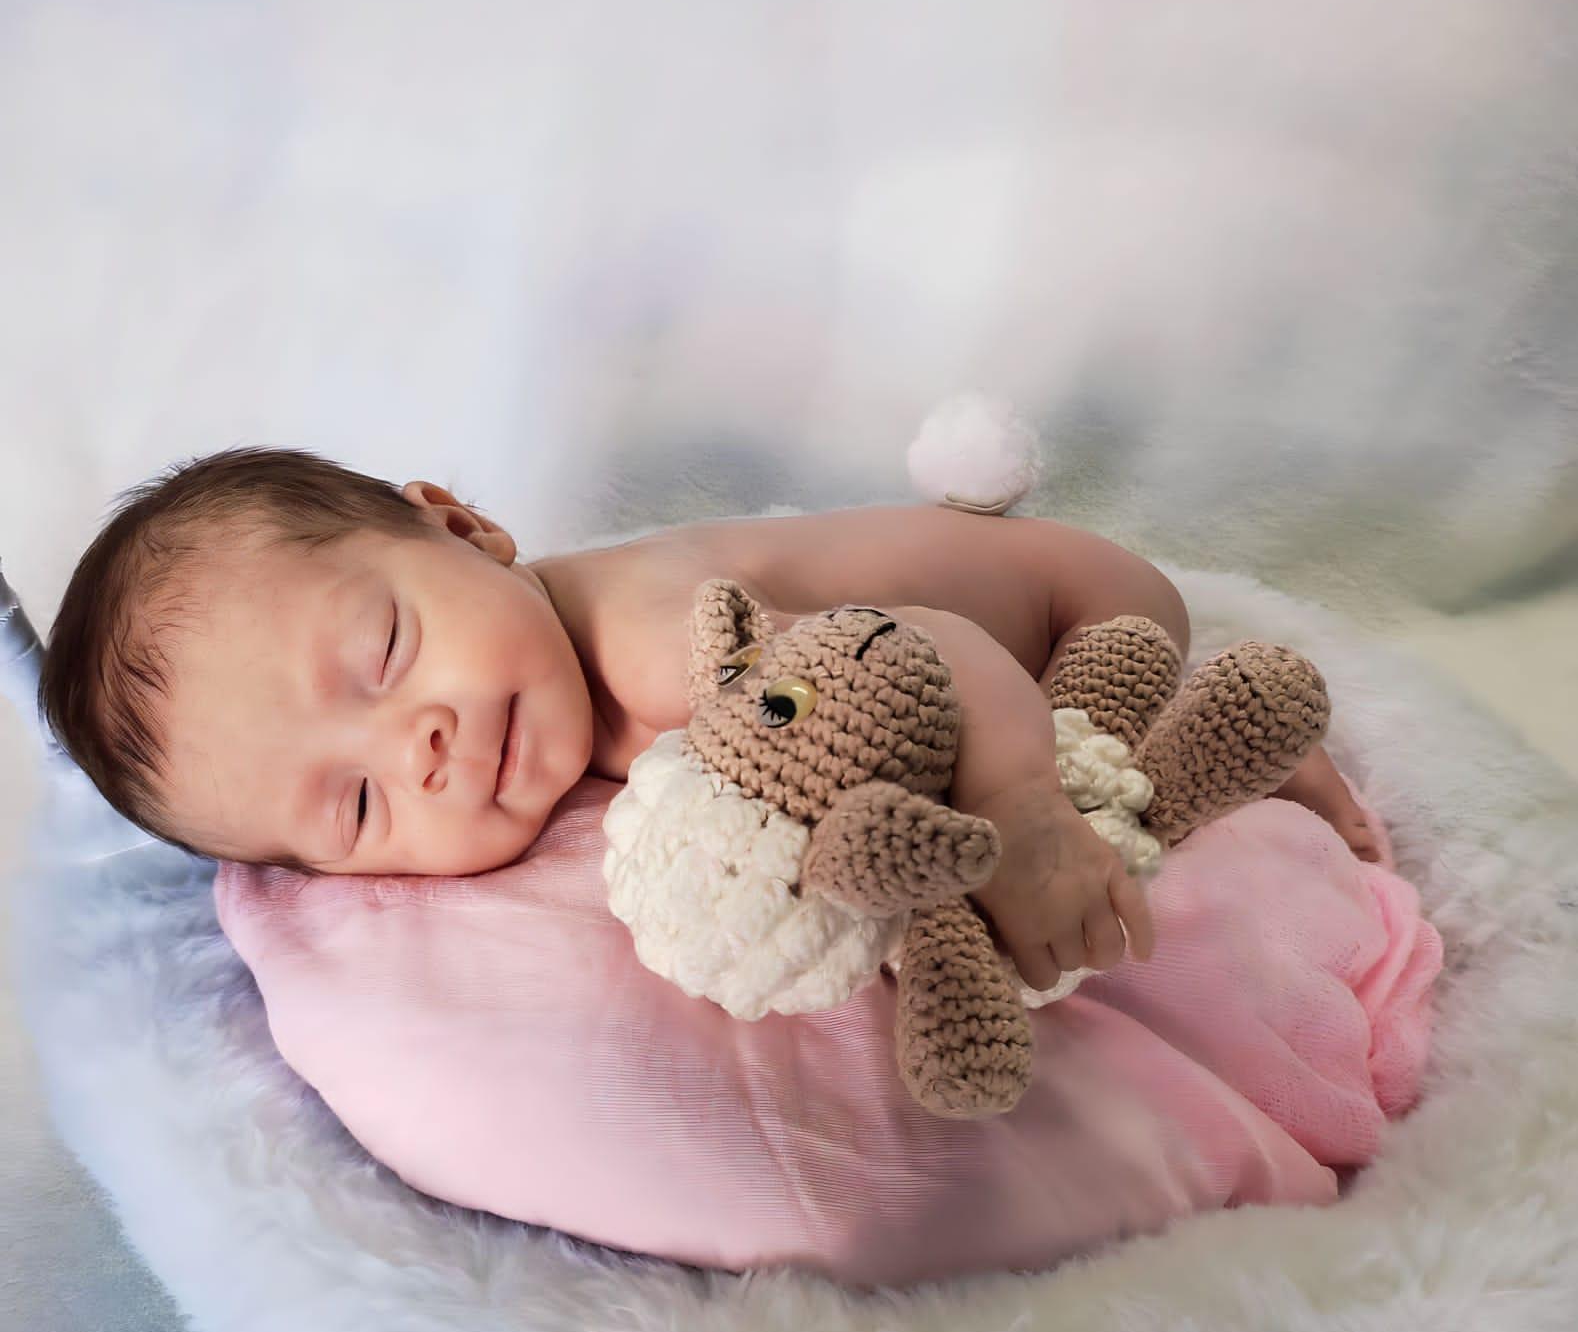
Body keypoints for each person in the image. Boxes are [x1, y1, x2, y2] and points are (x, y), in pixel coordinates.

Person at [38, 445, 1379, 991]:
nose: (421, 748)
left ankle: (1247, 731)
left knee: (1133, 765)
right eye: (357, 805)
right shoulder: (554, 697)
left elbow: (945, 649)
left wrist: (1024, 808)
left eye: (382, 651)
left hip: (1074, 609)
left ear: (463, 526)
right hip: (966, 639)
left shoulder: (655, 652)